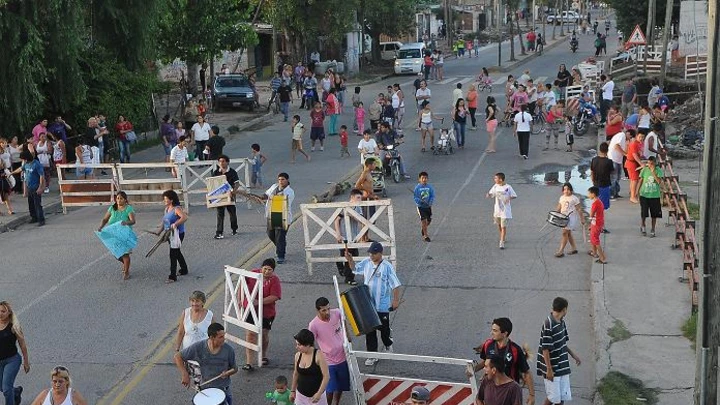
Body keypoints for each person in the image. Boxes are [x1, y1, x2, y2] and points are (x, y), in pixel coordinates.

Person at [344, 242, 402, 366]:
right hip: (368, 304)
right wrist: (350, 259)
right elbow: (355, 269)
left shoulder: (387, 267)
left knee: (384, 330)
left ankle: (388, 343)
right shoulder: (366, 262)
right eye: (370, 253)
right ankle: (372, 355)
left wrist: (395, 300)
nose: (371, 255)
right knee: (370, 331)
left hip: (383, 305)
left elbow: (396, 285)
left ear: (380, 253)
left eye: (374, 253)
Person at [471, 318, 534, 404]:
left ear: (505, 333)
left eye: (495, 330)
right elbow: (485, 362)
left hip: (509, 391)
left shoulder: (515, 350)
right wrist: (473, 370)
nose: (491, 333)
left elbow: (526, 372)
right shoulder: (488, 344)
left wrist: (531, 395)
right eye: (492, 330)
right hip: (491, 388)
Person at [174, 323, 237, 405]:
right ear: (212, 337)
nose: (224, 339)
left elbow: (235, 368)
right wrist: (184, 374)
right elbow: (178, 356)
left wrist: (228, 373)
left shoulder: (228, 350)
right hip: (204, 389)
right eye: (220, 337)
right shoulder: (199, 347)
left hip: (223, 389)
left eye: (223, 336)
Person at [537, 297, 582, 405]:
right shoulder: (548, 324)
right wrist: (549, 370)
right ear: (564, 309)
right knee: (553, 397)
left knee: (561, 397)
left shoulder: (562, 322)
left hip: (562, 366)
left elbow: (562, 343)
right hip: (552, 367)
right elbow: (545, 349)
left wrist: (573, 355)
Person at [240, 258, 281, 370]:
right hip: (251, 310)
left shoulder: (274, 280)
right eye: (265, 269)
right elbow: (241, 283)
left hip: (267, 312)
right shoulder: (253, 274)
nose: (266, 271)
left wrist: (259, 302)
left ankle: (263, 355)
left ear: (273, 271)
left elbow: (275, 296)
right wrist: (240, 300)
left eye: (269, 270)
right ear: (261, 268)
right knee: (250, 334)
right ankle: (249, 362)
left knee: (263, 334)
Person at [308, 298, 351, 405]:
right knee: (330, 389)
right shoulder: (313, 325)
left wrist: (347, 334)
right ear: (317, 310)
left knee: (340, 386)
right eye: (324, 310)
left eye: (328, 309)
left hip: (343, 357)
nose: (327, 312)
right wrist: (314, 360)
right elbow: (311, 344)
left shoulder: (337, 312)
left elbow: (344, 321)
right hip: (328, 361)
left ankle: (336, 403)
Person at [97, 191, 136, 279]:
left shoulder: (128, 209)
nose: (119, 200)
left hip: (125, 235)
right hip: (114, 235)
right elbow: (105, 219)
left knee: (125, 254)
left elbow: (133, 221)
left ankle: (126, 272)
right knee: (116, 254)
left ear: (125, 200)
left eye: (121, 198)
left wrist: (126, 222)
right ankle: (125, 264)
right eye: (117, 198)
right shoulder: (112, 208)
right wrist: (101, 227)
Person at [0, 301, 30, 405]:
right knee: (2, 387)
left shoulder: (14, 326)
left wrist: (26, 362)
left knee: (6, 389)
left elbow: (22, 345)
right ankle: (16, 392)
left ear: (9, 313)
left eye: (3, 311)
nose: (0, 313)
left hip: (12, 360)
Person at [290, 329, 330, 405]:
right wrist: (293, 390)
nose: (297, 347)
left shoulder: (319, 356)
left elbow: (326, 376)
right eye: (296, 344)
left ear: (308, 344)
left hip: (316, 397)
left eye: (299, 345)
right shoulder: (298, 355)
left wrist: (319, 394)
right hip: (301, 396)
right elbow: (296, 374)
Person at [334, 189, 364, 285]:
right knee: (348, 256)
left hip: (354, 236)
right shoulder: (345, 206)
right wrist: (338, 234)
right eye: (358, 198)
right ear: (352, 197)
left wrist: (352, 215)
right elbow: (337, 220)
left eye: (361, 198)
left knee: (353, 255)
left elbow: (361, 220)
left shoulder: (358, 208)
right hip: (344, 236)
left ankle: (340, 265)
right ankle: (349, 278)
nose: (359, 200)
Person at [264, 173, 295, 263]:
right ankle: (280, 246)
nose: (281, 181)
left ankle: (281, 256)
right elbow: (266, 194)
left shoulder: (290, 192)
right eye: (279, 179)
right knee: (270, 234)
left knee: (280, 237)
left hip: (283, 217)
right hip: (271, 216)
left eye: (283, 179)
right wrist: (261, 197)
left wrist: (272, 198)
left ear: (287, 180)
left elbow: (283, 201)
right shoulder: (274, 187)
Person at [158, 190, 188, 283]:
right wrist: (159, 231)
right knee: (177, 252)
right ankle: (184, 269)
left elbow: (184, 217)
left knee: (173, 254)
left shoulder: (176, 209)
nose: (164, 201)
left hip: (177, 234)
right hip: (170, 234)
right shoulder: (167, 209)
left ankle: (172, 276)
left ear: (171, 200)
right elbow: (165, 221)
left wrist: (175, 224)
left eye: (166, 199)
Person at [486, 173, 517, 250]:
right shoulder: (495, 186)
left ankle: (501, 242)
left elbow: (514, 195)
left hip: (505, 211)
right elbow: (492, 194)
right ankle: (502, 237)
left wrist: (508, 198)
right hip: (497, 210)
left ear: (500, 179)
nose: (494, 180)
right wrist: (489, 195)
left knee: (503, 226)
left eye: (496, 178)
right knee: (499, 225)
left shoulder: (508, 187)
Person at [212, 155, 240, 239]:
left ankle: (234, 229)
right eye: (220, 161)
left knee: (232, 213)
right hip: (220, 196)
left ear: (227, 162)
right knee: (220, 214)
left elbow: (237, 183)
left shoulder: (232, 172)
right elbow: (212, 184)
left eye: (223, 161)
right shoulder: (216, 172)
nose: (221, 163)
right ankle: (219, 232)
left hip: (230, 195)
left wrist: (233, 192)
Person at [554, 183, 585, 258]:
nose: (566, 191)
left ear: (571, 190)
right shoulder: (562, 197)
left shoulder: (574, 198)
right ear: (563, 190)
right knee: (568, 233)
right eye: (564, 189)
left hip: (571, 219)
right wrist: (555, 214)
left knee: (564, 233)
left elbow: (579, 209)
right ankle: (574, 248)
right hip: (563, 218)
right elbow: (559, 207)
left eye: (568, 189)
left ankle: (561, 251)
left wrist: (582, 218)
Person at [16, 151, 45, 226]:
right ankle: (34, 217)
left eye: (23, 159)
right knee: (31, 204)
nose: (23, 161)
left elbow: (41, 176)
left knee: (37, 204)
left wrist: (40, 187)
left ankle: (41, 220)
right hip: (29, 187)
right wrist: (11, 173)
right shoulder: (26, 164)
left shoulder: (36, 164)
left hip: (36, 187)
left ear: (26, 158)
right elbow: (20, 169)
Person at [638, 156, 664, 237]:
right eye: (649, 163)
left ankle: (653, 229)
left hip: (655, 196)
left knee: (654, 214)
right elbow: (640, 180)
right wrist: (637, 192)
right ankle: (643, 225)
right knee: (644, 213)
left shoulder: (658, 170)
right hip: (644, 195)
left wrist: (653, 173)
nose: (650, 165)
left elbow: (659, 182)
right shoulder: (644, 170)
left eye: (651, 163)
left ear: (655, 163)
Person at [590, 142, 614, 230]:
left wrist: (593, 182)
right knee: (601, 207)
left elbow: (592, 172)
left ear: (599, 150)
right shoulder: (609, 162)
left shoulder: (594, 160)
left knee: (596, 206)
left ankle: (595, 224)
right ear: (607, 150)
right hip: (605, 186)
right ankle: (600, 225)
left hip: (596, 185)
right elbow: (612, 172)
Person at [587, 187, 607, 264]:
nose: (588, 195)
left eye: (589, 193)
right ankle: (594, 252)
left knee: (595, 240)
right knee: (593, 238)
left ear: (593, 194)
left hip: (596, 223)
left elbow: (591, 215)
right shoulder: (599, 202)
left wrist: (588, 223)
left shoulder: (595, 204)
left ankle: (602, 257)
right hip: (599, 223)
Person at [413, 172, 435, 242]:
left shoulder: (430, 187)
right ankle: (425, 235)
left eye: (425, 178)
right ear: (419, 179)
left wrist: (430, 202)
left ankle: (423, 228)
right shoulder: (417, 188)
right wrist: (420, 201)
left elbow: (432, 196)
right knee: (424, 221)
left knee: (428, 221)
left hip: (428, 207)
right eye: (422, 178)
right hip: (421, 207)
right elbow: (415, 198)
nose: (424, 179)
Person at [624, 131, 645, 204]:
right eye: (640, 137)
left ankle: (633, 194)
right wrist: (641, 164)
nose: (641, 138)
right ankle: (632, 197)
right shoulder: (633, 144)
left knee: (633, 180)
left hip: (633, 163)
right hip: (632, 163)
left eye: (643, 137)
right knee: (634, 180)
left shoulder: (638, 143)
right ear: (636, 136)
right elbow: (634, 155)